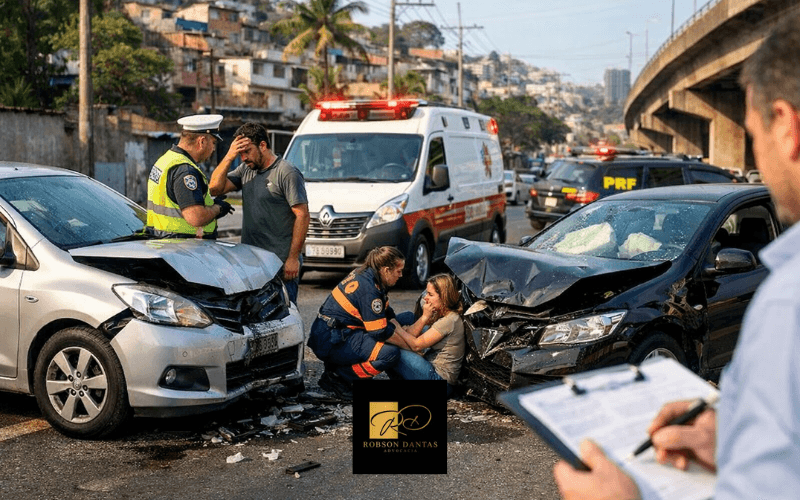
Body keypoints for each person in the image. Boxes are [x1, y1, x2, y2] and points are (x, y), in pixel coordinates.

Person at [553, 16, 800, 500]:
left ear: (788, 128)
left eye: (752, 134)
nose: (758, 159)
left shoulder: (788, 304)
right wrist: (735, 438)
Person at [209, 122, 309, 303]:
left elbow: (302, 215)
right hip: (252, 262)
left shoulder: (286, 172)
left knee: (285, 316)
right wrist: (229, 156)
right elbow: (215, 188)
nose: (243, 158)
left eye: (246, 151)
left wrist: (293, 258)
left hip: (280, 263)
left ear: (263, 145)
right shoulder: (246, 169)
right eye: (240, 153)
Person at [307, 246, 405, 400]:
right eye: (398, 271)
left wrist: (407, 336)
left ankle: (339, 367)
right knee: (390, 355)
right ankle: (340, 376)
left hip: (335, 333)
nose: (401, 275)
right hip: (331, 340)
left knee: (405, 318)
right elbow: (379, 332)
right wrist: (410, 345)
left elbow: (387, 312)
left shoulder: (368, 274)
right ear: (386, 270)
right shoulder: (369, 289)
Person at [145, 114, 234, 239]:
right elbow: (195, 217)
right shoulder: (185, 171)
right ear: (202, 141)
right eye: (213, 143)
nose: (213, 149)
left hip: (165, 244)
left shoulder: (166, 160)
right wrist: (218, 208)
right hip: (183, 248)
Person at [386, 273, 465, 398]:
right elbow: (412, 335)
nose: (425, 298)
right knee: (407, 317)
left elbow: (417, 345)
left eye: (431, 294)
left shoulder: (450, 320)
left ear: (444, 296)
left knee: (390, 351)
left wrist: (397, 328)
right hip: (431, 371)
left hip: (439, 381)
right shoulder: (443, 315)